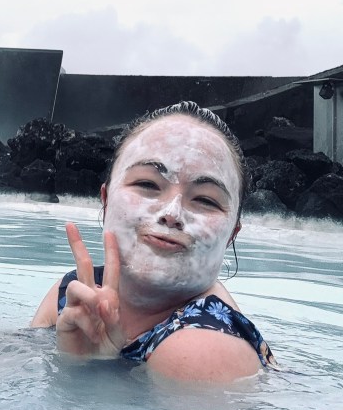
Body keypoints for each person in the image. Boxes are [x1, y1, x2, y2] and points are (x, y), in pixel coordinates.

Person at [31, 102, 278, 382]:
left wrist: (92, 372)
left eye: (205, 200)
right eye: (147, 184)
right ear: (106, 199)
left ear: (232, 233)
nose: (172, 214)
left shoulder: (203, 348)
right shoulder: (75, 293)